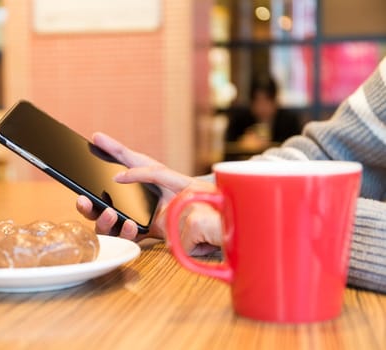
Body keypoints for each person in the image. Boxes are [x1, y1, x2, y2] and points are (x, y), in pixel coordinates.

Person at [76, 57, 386, 294]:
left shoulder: (286, 119)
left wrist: (264, 217)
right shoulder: (241, 118)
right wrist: (195, 197)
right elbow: (325, 154)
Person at [226, 73, 303, 152]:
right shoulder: (239, 120)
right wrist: (241, 144)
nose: (262, 107)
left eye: (267, 101)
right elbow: (228, 147)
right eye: (257, 101)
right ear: (251, 103)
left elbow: (298, 150)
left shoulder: (290, 122)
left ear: (276, 101)